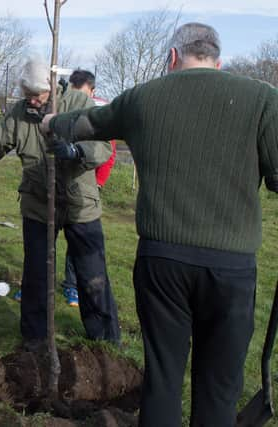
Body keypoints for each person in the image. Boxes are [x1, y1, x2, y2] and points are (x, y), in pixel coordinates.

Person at [40, 22, 278, 426]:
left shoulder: (143, 98)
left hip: (162, 261)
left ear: (172, 57)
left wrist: (51, 124)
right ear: (217, 62)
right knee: (219, 386)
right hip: (231, 270)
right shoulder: (261, 99)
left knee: (164, 379)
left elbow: (89, 123)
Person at [0, 58, 121, 351]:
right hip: (38, 206)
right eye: (27, 93)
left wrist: (75, 150)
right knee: (36, 276)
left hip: (81, 206)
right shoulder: (19, 113)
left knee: (92, 275)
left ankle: (104, 340)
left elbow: (104, 144)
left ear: (52, 88)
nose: (32, 100)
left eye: (38, 95)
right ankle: (35, 340)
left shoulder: (79, 103)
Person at [60, 69, 118, 307]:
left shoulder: (98, 115)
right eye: (75, 94)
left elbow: (108, 153)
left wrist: (99, 184)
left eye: (83, 95)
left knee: (80, 241)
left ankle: (73, 285)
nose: (79, 101)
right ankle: (36, 284)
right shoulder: (63, 107)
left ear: (92, 92)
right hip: (57, 184)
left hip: (86, 186)